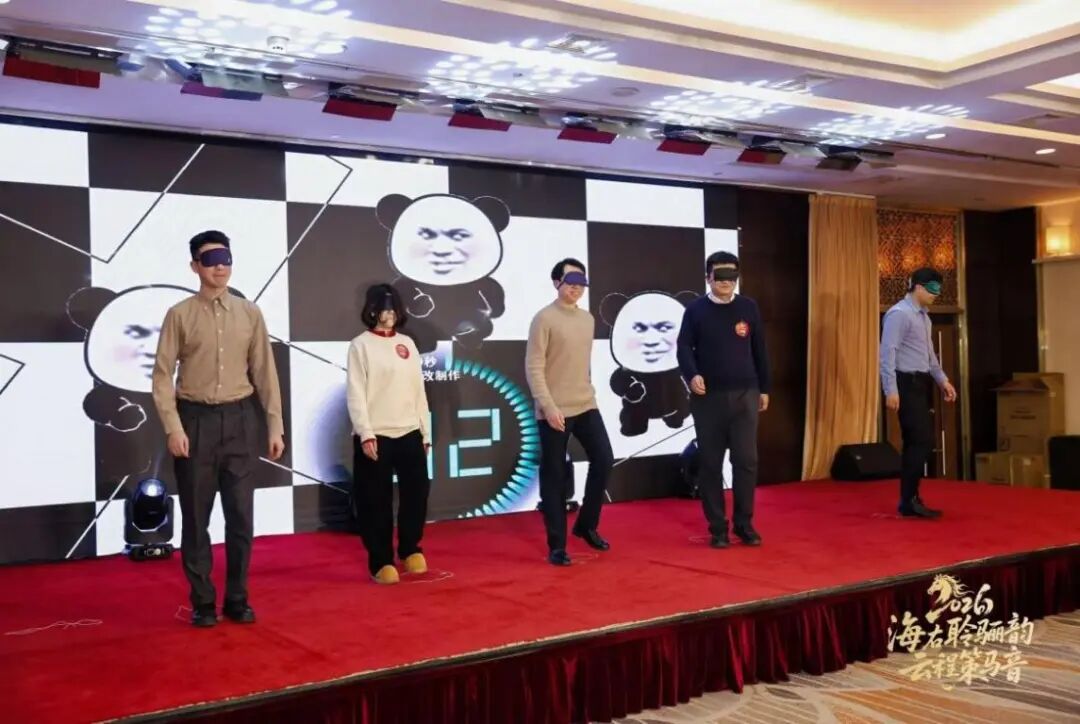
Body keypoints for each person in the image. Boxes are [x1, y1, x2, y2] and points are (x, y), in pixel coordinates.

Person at [152, 230, 285, 628]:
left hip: (241, 420)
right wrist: (173, 426)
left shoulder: (250, 313)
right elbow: (162, 375)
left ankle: (237, 599)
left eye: (225, 258)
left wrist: (274, 425)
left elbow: (265, 373)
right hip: (195, 421)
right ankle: (204, 602)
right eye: (210, 260)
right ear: (195, 266)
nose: (220, 267)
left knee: (241, 517)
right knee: (196, 518)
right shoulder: (179, 314)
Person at [677, 251, 769, 548]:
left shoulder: (748, 307)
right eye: (720, 275)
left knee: (746, 461)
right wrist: (692, 375)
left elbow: (759, 349)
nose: (726, 281)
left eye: (732, 275)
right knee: (711, 463)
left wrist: (764, 388)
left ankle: (744, 524)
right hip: (708, 398)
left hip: (746, 394)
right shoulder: (695, 310)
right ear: (708, 277)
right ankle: (718, 528)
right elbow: (683, 347)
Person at [525, 258, 614, 566]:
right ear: (556, 283)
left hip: (585, 403)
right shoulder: (544, 318)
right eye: (570, 281)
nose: (576, 288)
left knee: (604, 459)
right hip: (553, 408)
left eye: (581, 282)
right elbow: (534, 367)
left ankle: (586, 525)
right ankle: (557, 545)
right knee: (554, 475)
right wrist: (548, 406)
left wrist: (589, 392)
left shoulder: (587, 319)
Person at [347, 283, 432, 584]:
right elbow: (355, 393)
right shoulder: (360, 345)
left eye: (394, 308)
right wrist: (365, 432)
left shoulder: (408, 343)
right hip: (376, 434)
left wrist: (425, 432)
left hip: (410, 430)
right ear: (372, 310)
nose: (390, 314)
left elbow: (419, 390)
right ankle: (380, 560)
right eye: (384, 309)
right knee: (375, 500)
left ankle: (410, 549)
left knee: (416, 495)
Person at [879, 267, 957, 518]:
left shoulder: (925, 318)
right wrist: (891, 389)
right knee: (920, 440)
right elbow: (887, 353)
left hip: (920, 382)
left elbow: (930, 355)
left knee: (920, 441)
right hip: (905, 382)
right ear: (919, 287)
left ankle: (910, 498)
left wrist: (943, 380)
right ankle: (908, 500)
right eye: (933, 289)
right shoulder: (899, 315)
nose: (937, 294)